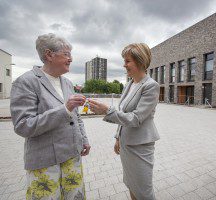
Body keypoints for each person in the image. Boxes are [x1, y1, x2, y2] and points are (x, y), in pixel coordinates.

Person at [10, 33, 91, 200]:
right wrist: (64, 109)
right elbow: (23, 125)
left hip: (72, 156)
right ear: (49, 55)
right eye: (66, 54)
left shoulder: (67, 83)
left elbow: (76, 116)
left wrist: (84, 139)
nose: (71, 59)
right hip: (45, 161)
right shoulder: (26, 82)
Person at [88, 43, 160, 200]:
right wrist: (118, 137)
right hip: (126, 144)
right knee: (131, 183)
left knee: (144, 191)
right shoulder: (129, 84)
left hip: (140, 147)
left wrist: (107, 111)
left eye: (128, 61)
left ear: (140, 61)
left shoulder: (150, 86)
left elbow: (136, 118)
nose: (124, 64)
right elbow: (123, 113)